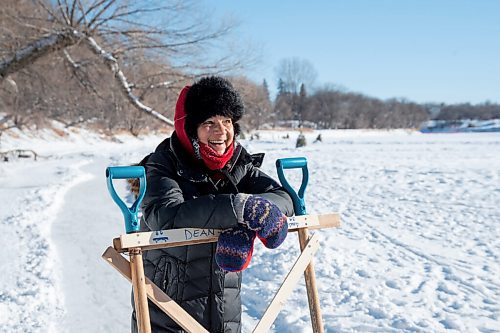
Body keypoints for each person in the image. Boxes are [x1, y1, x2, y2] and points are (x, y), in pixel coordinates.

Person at [132, 76, 294, 333]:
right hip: (168, 310)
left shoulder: (238, 166)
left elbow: (283, 197)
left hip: (224, 311)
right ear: (189, 129)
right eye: (209, 123)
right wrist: (238, 208)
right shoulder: (162, 165)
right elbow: (168, 216)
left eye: (227, 121)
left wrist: (246, 222)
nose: (221, 132)